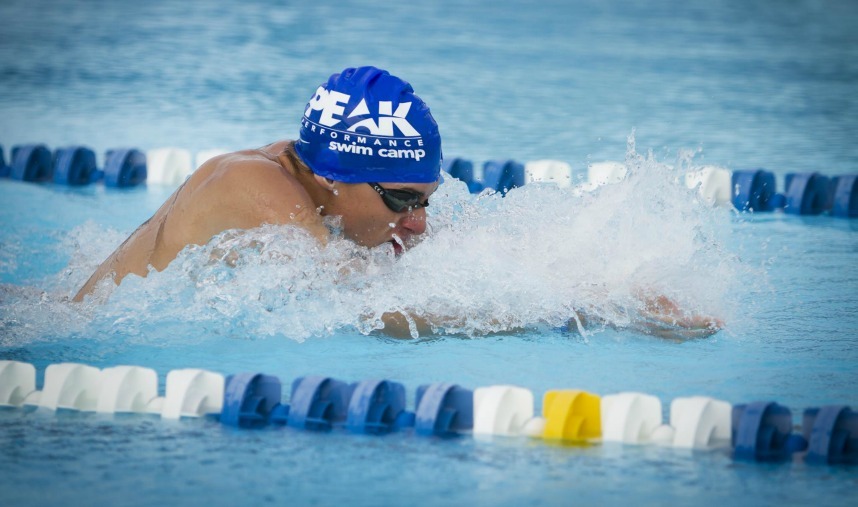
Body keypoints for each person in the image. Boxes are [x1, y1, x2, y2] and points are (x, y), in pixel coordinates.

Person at [74, 65, 721, 339]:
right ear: (336, 177)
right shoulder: (258, 192)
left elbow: (452, 265)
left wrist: (610, 284)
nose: (417, 221)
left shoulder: (315, 176)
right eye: (402, 199)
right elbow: (364, 311)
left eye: (426, 199)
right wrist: (579, 313)